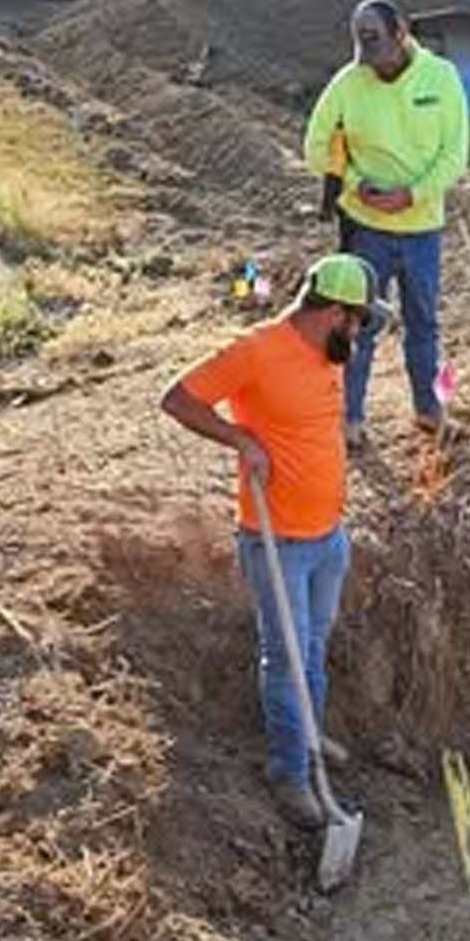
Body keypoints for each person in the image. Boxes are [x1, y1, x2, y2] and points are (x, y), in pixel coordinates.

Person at [160, 254, 390, 829]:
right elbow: (178, 398)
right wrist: (240, 439)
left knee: (312, 648)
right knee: (286, 657)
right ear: (332, 311)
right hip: (277, 540)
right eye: (356, 321)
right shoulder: (257, 351)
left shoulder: (329, 351)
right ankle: (289, 772)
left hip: (327, 535)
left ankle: (310, 736)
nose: (359, 334)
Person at [304, 0, 470, 449]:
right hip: (366, 228)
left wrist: (412, 195)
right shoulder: (349, 82)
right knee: (357, 323)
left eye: (378, 46)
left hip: (421, 231)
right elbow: (316, 146)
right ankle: (349, 419)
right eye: (364, 49)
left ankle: (427, 411)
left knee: (423, 323)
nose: (373, 63)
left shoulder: (442, 78)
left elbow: (455, 155)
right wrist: (355, 185)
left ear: (402, 31)